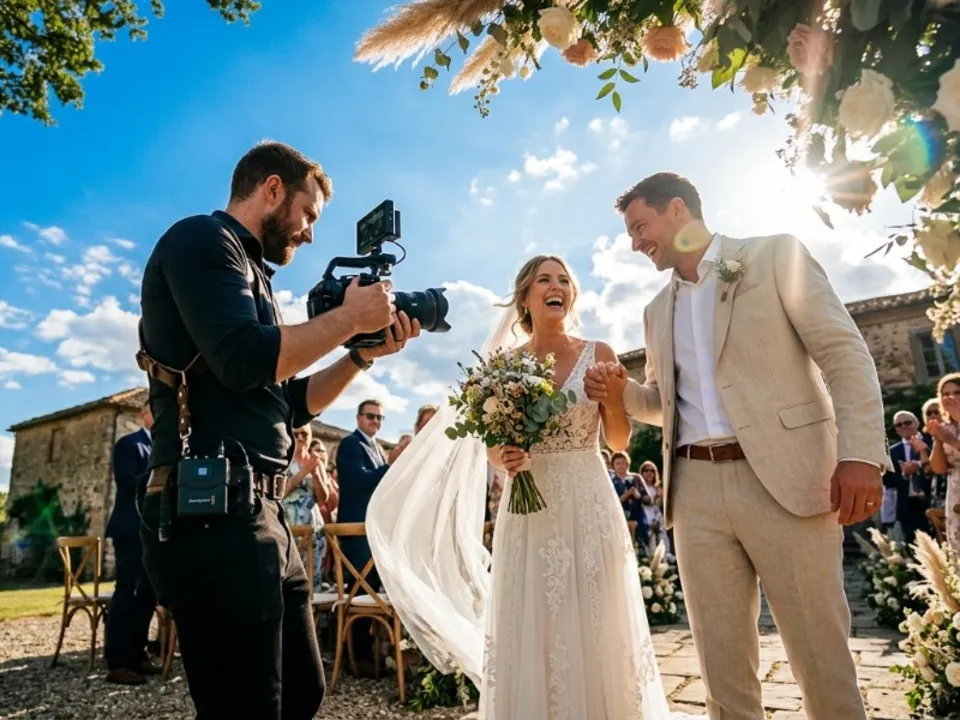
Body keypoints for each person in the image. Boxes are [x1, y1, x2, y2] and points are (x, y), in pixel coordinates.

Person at [585, 172, 887, 720]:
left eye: (639, 227)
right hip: (694, 492)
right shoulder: (655, 310)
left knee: (821, 657)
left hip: (789, 478)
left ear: (677, 209)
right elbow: (663, 403)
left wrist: (861, 454)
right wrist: (620, 392)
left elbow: (844, 355)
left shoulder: (775, 257)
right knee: (722, 672)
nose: (634, 243)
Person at [136, 140, 420, 719]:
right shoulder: (201, 241)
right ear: (272, 190)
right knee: (247, 708)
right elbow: (244, 358)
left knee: (302, 692)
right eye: (308, 214)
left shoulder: (254, 276)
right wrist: (348, 318)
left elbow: (286, 404)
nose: (310, 233)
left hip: (263, 517)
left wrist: (360, 355)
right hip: (212, 514)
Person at [366, 255, 699, 719]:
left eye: (564, 280)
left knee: (597, 613)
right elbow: (490, 446)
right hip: (529, 508)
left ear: (571, 295)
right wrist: (504, 456)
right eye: (544, 279)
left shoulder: (599, 353)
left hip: (587, 498)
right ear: (525, 297)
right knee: (535, 617)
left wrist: (612, 401)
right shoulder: (504, 366)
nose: (556, 285)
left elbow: (618, 440)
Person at [104, 399, 158, 685]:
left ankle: (138, 656)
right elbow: (126, 483)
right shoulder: (130, 444)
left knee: (148, 595)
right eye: (154, 410)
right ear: (142, 415)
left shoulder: (162, 447)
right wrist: (160, 472)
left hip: (152, 531)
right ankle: (118, 662)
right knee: (126, 593)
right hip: (129, 528)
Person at [927, 373, 960, 553]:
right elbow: (939, 468)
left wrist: (950, 440)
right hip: (954, 489)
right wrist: (938, 439)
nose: (951, 397)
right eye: (946, 394)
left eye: (957, 392)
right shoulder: (946, 427)